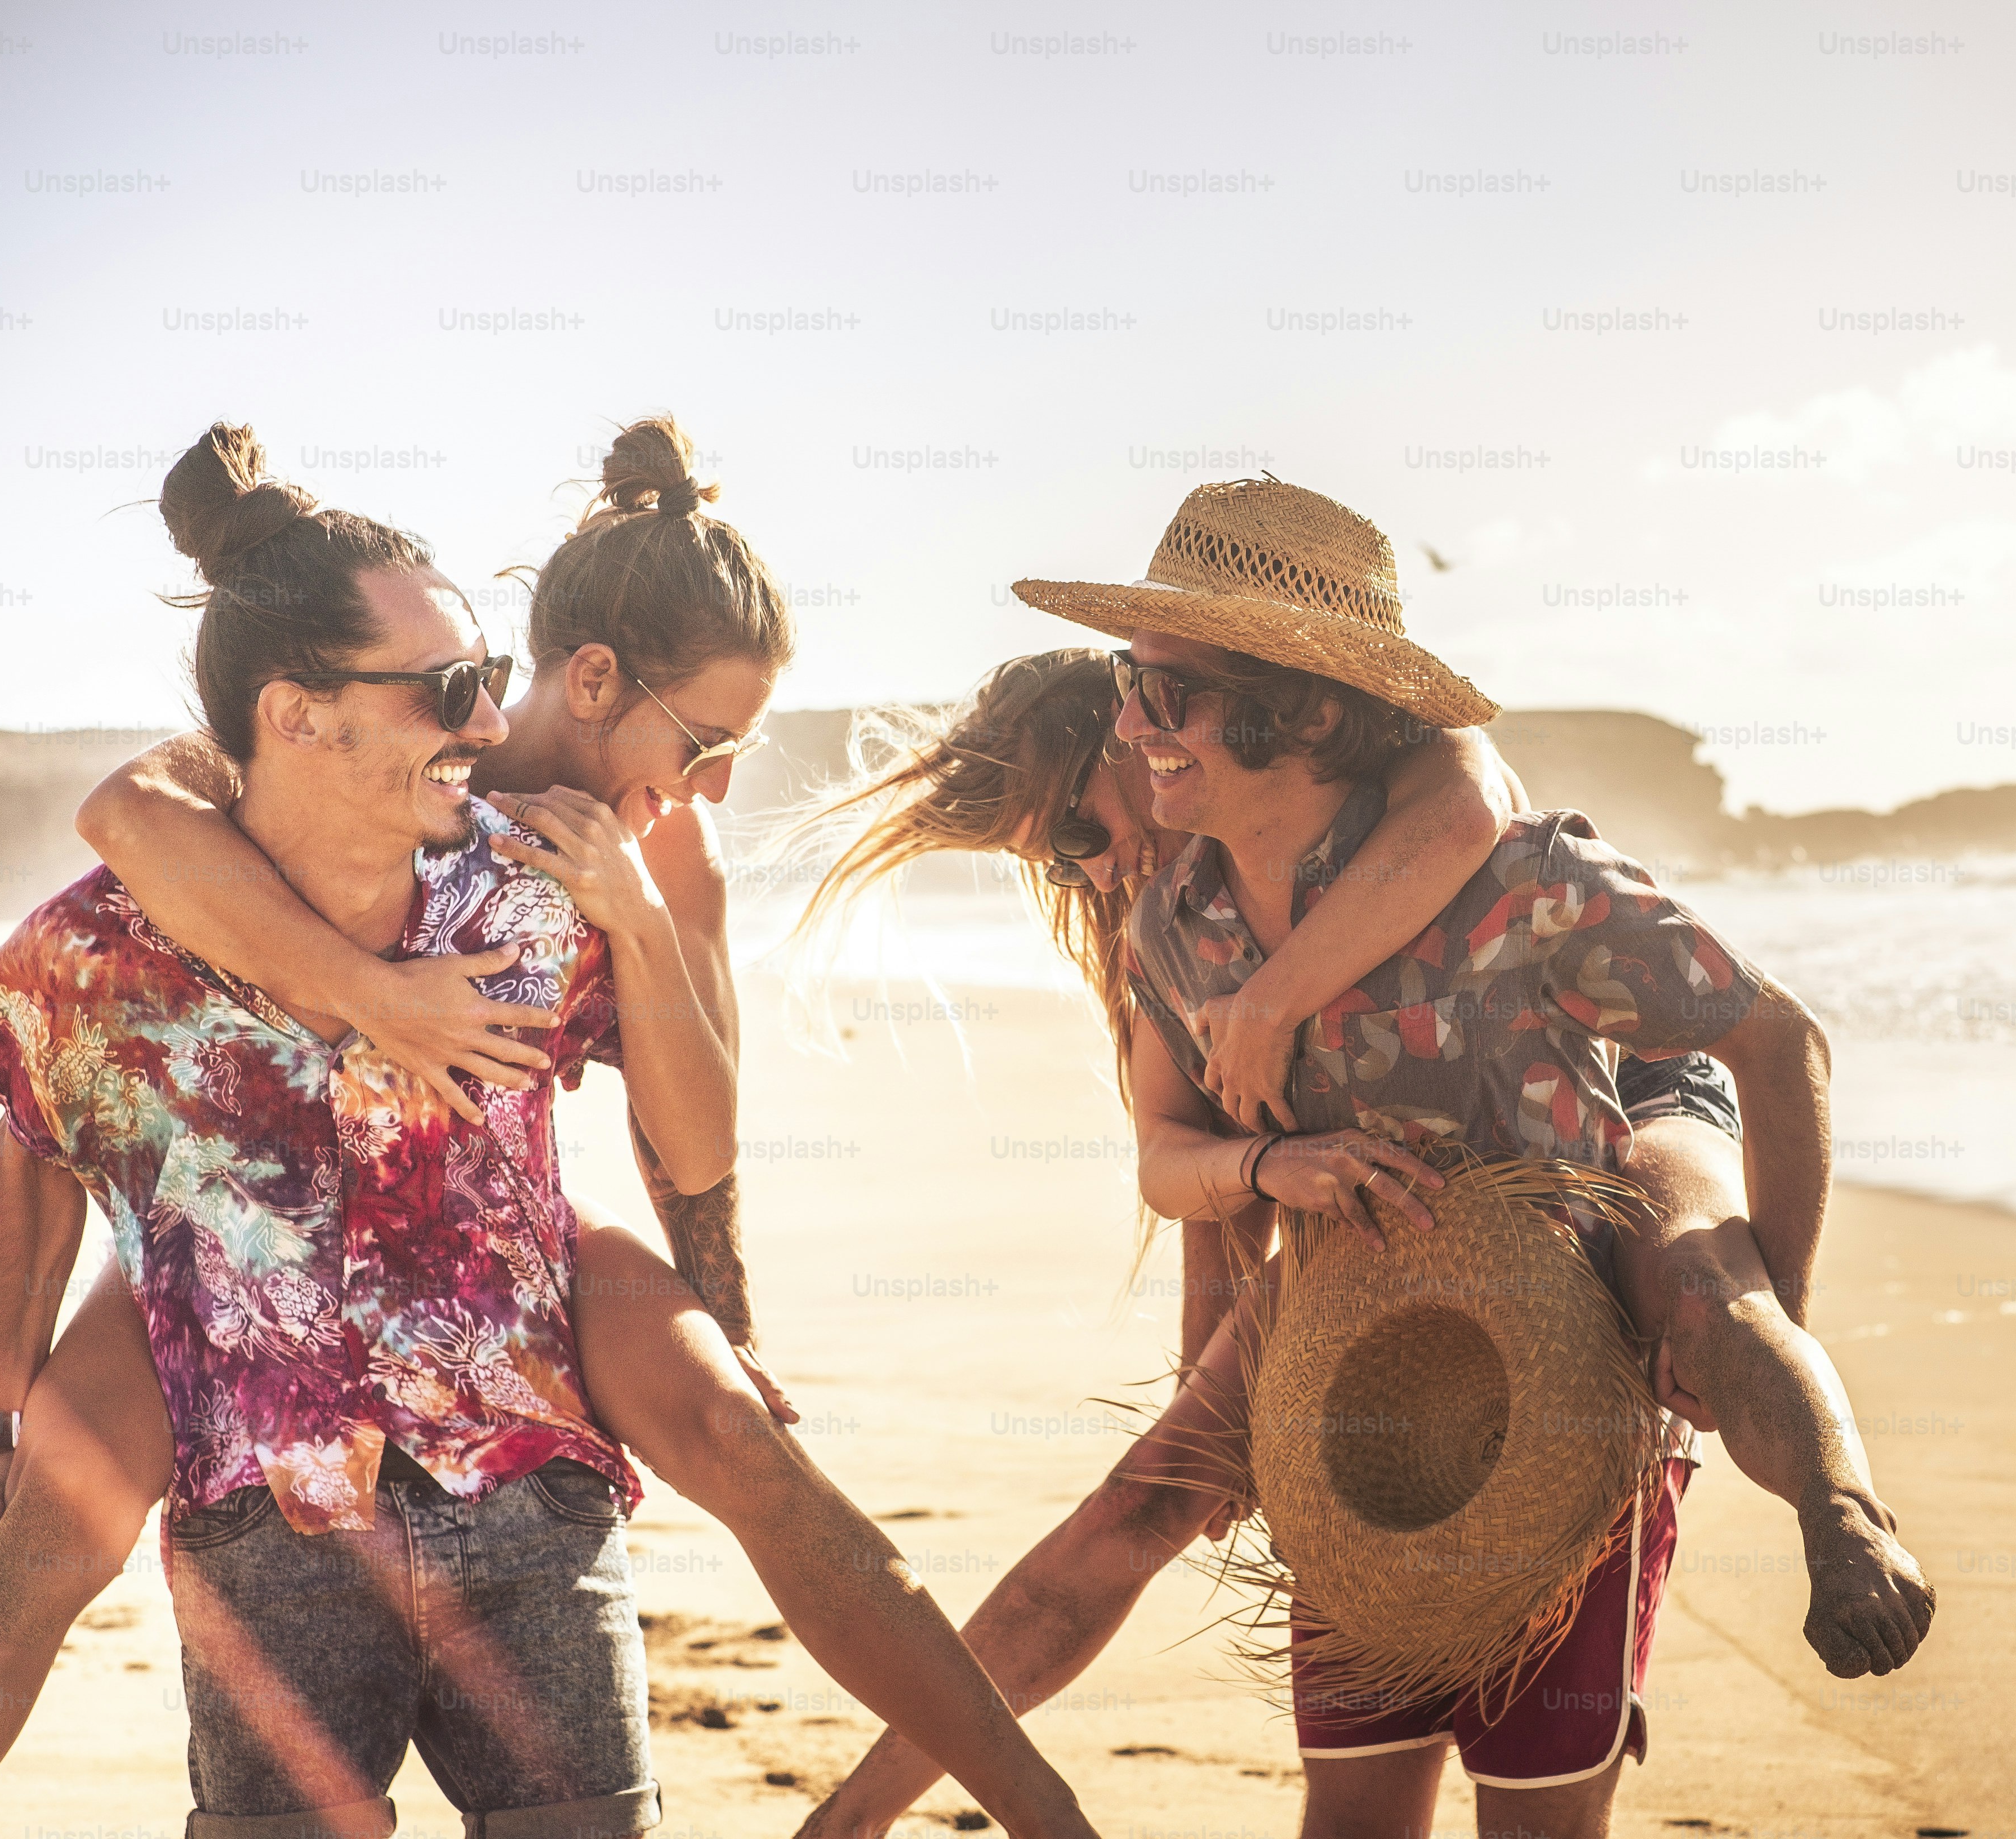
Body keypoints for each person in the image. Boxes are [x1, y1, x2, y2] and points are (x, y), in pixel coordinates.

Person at [0, 425, 1098, 1839]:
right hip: (231, 1268)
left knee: (751, 1454)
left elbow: (695, 1134)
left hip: (499, 1270)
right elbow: (62, 1053)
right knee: (43, 1545)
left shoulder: (589, 870)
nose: (483, 720)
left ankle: (1037, 1811)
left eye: (480, 679)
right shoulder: (173, 878)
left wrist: (717, 1300)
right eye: (450, 688)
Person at [791, 481, 1933, 1838]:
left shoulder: (1467, 846)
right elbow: (1203, 1177)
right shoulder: (1176, 931)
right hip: (1379, 1238)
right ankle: (856, 1817)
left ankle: (1828, 1492)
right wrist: (1223, 1384)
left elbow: (1502, 823)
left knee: (1698, 1280)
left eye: (1084, 826)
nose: (1091, 866)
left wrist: (1771, 1327)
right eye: (1057, 863)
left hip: (1598, 1126)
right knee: (1155, 1523)